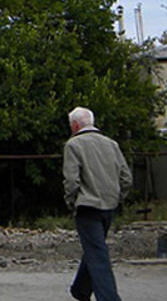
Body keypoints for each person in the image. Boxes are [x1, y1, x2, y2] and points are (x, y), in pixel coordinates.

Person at [63, 106, 132, 301]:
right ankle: (81, 290)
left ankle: (109, 298)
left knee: (97, 255)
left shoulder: (74, 145)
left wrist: (71, 202)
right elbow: (126, 177)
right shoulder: (111, 144)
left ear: (75, 125)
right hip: (109, 206)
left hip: (87, 207)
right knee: (96, 248)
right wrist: (118, 197)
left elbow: (72, 181)